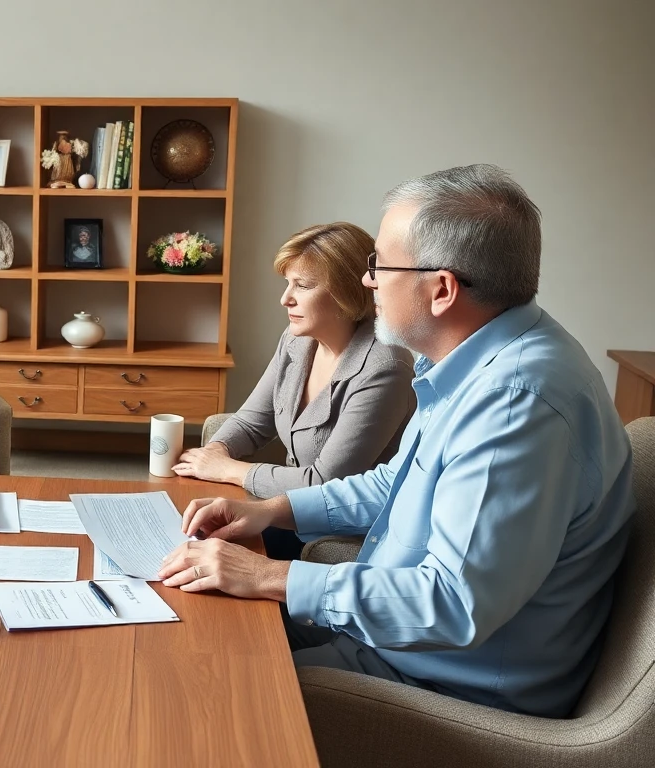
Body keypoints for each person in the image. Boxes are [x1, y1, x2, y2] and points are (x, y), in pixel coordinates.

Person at [159, 164, 635, 718]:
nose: (368, 281)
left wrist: (269, 574)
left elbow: (452, 605)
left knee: (197, 684)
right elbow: (397, 482)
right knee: (186, 625)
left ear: (441, 289)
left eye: (380, 264)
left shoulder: (514, 402)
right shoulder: (477, 364)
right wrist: (272, 509)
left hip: (450, 687)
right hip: (395, 643)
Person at [174, 222, 415, 559]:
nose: (285, 298)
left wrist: (226, 469)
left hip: (340, 527)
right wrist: (214, 450)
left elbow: (323, 485)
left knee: (205, 550)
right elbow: (251, 422)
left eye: (302, 286)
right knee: (187, 535)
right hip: (284, 507)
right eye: (288, 283)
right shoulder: (296, 341)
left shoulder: (384, 368)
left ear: (347, 292)